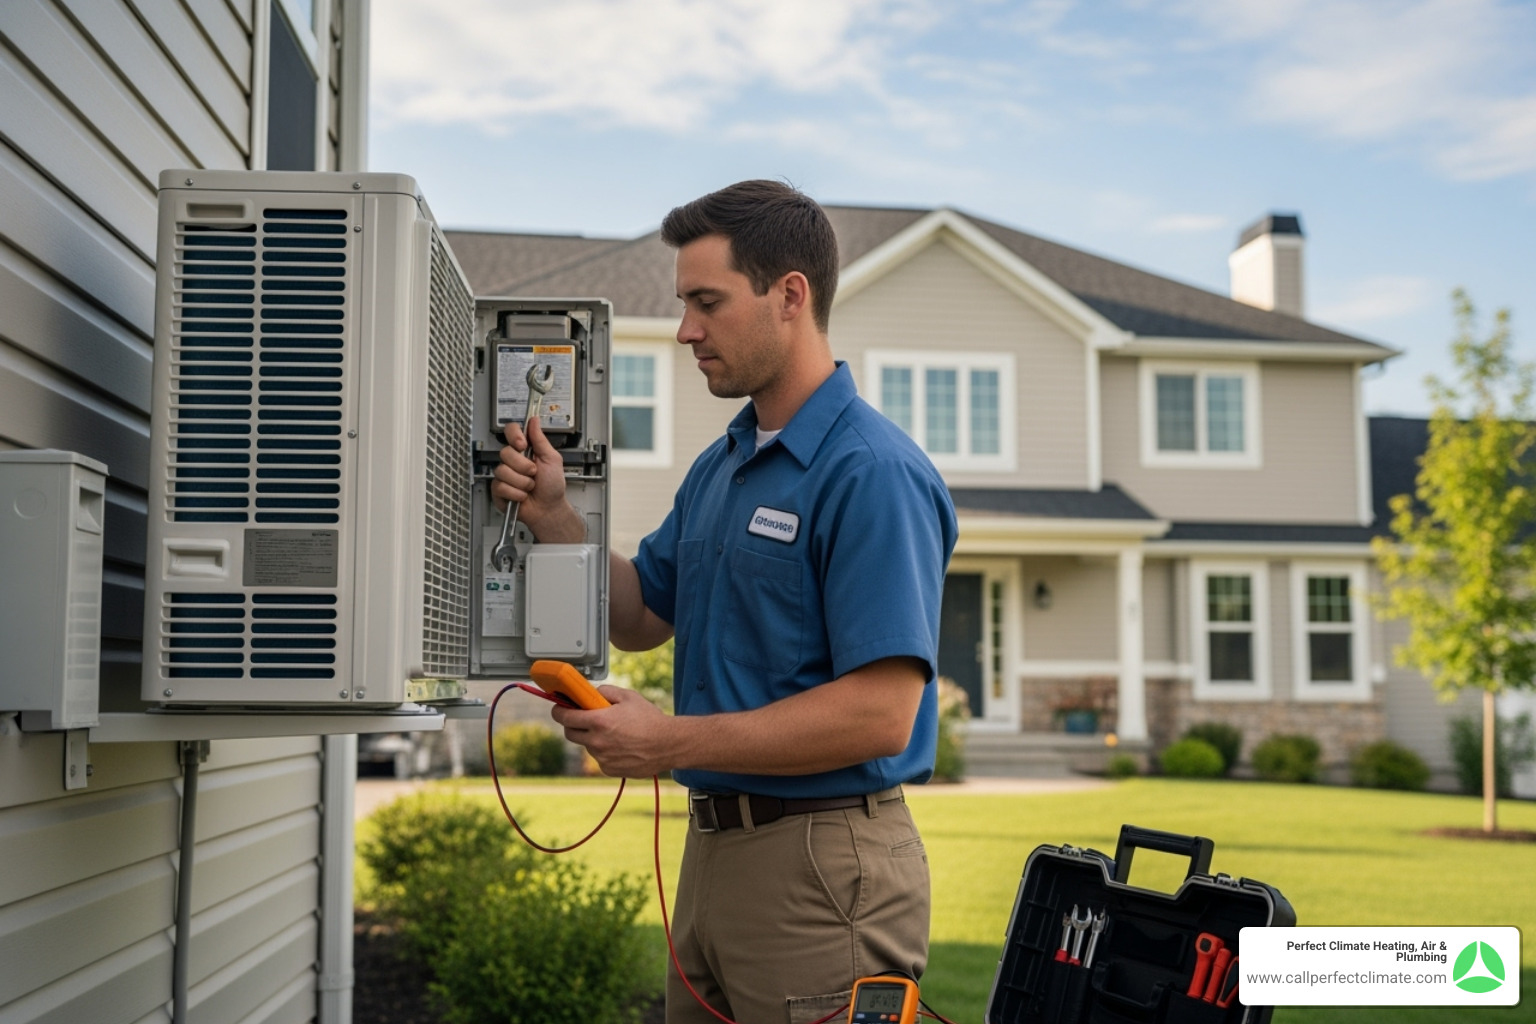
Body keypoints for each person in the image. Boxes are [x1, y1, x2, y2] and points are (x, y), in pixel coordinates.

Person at [492, 179, 958, 1023]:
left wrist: (666, 740)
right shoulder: (724, 464)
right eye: (683, 304)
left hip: (824, 863)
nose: (685, 331)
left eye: (706, 302)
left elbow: (880, 716)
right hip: (714, 856)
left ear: (789, 296)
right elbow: (640, 617)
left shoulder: (872, 474)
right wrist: (555, 516)